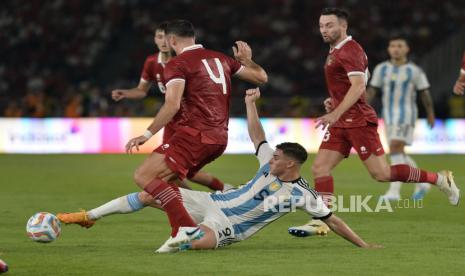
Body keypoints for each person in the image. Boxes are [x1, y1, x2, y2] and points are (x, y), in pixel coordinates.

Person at [58, 88, 382, 253]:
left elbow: (333, 220)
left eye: (276, 158)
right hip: (211, 203)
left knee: (189, 244)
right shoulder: (270, 162)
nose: (270, 160)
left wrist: (364, 244)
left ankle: (160, 256)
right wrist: (251, 104)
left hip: (230, 228)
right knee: (148, 192)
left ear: (291, 165)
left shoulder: (300, 194)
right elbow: (258, 136)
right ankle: (89, 216)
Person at [288, 8, 459, 237]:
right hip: (342, 121)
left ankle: (439, 179)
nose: (324, 30)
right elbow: (351, 85)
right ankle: (322, 220)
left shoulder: (350, 50)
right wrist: (335, 101)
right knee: (320, 168)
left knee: (382, 174)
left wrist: (336, 112)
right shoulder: (335, 50)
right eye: (321, 25)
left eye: (329, 25)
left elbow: (359, 86)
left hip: (358, 120)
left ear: (343, 26)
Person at [124, 19, 268, 248]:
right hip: (220, 138)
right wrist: (247, 60)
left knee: (144, 177)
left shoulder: (177, 64)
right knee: (167, 184)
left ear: (172, 40)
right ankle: (197, 221)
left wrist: (147, 134)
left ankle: (187, 228)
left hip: (195, 135)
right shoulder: (221, 58)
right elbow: (261, 78)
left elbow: (172, 105)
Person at [111, 22, 230, 192]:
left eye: (165, 37)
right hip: (171, 120)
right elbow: (141, 90)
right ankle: (207, 197)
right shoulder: (152, 62)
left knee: (182, 171)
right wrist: (126, 93)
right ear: (155, 40)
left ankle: (220, 191)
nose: (164, 42)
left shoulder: (183, 61)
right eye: (159, 37)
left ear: (172, 39)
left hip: (192, 122)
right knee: (173, 171)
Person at [366, 37, 435, 200]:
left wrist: (430, 112)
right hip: (388, 116)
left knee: (396, 147)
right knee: (398, 152)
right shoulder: (382, 69)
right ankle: (423, 182)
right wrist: (361, 106)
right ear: (389, 49)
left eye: (400, 46)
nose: (396, 49)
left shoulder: (415, 71)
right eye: (392, 46)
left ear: (407, 49)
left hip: (407, 115)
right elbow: (372, 90)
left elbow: (424, 92)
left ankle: (394, 191)